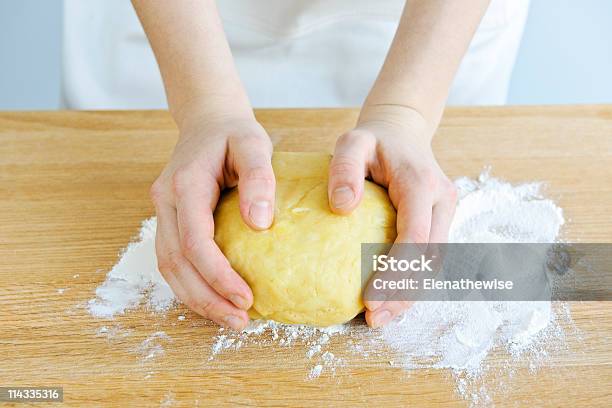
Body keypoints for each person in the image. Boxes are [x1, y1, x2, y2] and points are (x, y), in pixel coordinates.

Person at [63, 0, 530, 330]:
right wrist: (205, 104)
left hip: (422, 32)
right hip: (177, 28)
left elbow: (410, 111)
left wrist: (406, 113)